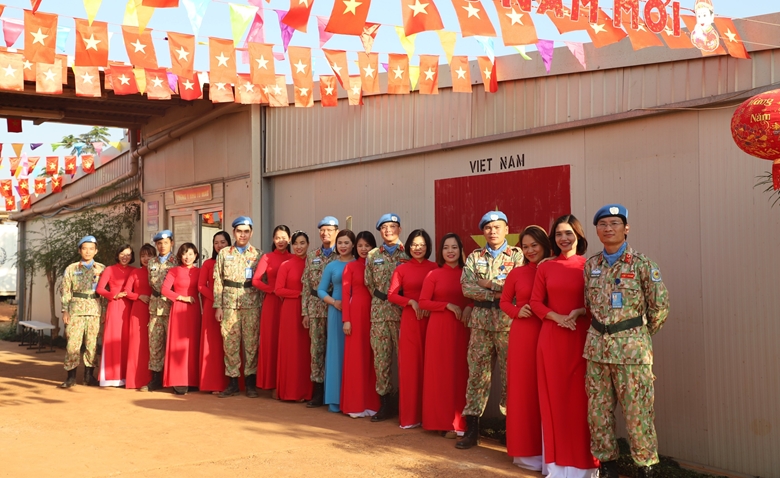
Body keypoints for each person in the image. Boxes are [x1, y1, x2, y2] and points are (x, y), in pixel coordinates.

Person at [584, 205, 669, 478]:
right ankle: (607, 465)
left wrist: (637, 337)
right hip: (597, 351)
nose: (608, 228)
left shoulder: (642, 264)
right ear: (597, 230)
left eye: (614, 223)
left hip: (632, 354)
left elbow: (660, 307)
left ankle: (645, 467)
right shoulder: (591, 265)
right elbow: (589, 304)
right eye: (603, 224)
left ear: (626, 228)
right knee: (598, 413)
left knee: (638, 413)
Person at [531, 215, 599, 478]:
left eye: (569, 233)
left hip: (581, 338)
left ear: (579, 236)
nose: (564, 238)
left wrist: (580, 311)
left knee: (581, 402)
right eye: (559, 234)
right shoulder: (546, 267)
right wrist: (556, 317)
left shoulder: (590, 266)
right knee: (554, 400)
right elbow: (536, 303)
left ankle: (585, 466)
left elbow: (597, 304)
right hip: (551, 338)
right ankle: (556, 467)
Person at [457, 211, 524, 449]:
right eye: (488, 228)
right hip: (481, 325)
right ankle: (472, 429)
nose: (492, 231)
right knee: (477, 376)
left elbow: (517, 287)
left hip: (508, 325)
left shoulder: (518, 255)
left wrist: (487, 284)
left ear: (506, 230)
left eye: (497, 227)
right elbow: (466, 287)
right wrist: (497, 293)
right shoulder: (475, 257)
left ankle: (510, 430)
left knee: (510, 377)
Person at [500, 226, 552, 471]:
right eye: (525, 246)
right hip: (523, 335)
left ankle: (552, 453)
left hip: (550, 333)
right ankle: (526, 451)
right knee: (524, 390)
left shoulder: (554, 268)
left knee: (548, 390)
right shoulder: (517, 273)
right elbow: (504, 302)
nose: (530, 250)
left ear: (545, 244)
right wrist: (516, 311)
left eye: (535, 245)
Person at [420, 233, 472, 438]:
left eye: (454, 247)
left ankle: (458, 423)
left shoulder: (468, 274)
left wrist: (469, 306)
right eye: (446, 248)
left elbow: (475, 297)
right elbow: (423, 302)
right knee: (439, 374)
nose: (450, 251)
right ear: (441, 252)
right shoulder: (433, 274)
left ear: (461, 250)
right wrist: (447, 305)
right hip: (439, 328)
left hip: (461, 328)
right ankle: (439, 421)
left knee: (459, 373)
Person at [388, 229, 437, 428]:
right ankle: (410, 417)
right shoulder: (401, 269)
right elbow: (392, 295)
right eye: (415, 244)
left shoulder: (435, 268)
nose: (418, 248)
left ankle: (431, 416)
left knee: (431, 368)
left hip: (432, 320)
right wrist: (411, 302)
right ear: (408, 246)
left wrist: (428, 305)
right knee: (410, 367)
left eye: (422, 245)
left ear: (428, 247)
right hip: (410, 320)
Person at [365, 213, 409, 422]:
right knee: (381, 360)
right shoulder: (373, 255)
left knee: (405, 359)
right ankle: (385, 404)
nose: (388, 230)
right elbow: (369, 283)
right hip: (380, 314)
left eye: (392, 226)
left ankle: (406, 404)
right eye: (384, 227)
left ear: (399, 229)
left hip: (403, 314)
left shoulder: (408, 252)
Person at [213, 216, 263, 398]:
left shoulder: (258, 254)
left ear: (251, 233)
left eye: (246, 231)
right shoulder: (224, 253)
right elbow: (218, 280)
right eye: (239, 231)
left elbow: (263, 282)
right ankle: (233, 381)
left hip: (251, 305)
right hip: (229, 305)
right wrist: (218, 306)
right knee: (230, 343)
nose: (243, 235)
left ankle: (250, 382)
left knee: (251, 344)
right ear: (233, 232)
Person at [341, 231, 380, 418]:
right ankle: (355, 404)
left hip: (376, 313)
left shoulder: (378, 265)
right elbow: (345, 294)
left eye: (367, 245)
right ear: (355, 248)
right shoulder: (350, 267)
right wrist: (346, 320)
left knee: (373, 358)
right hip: (356, 314)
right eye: (360, 246)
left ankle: (371, 403)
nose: (364, 249)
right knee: (356, 358)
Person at [301, 216, 339, 408]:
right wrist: (305, 312)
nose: (325, 233)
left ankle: (335, 390)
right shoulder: (312, 256)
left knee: (335, 350)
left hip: (336, 308)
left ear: (336, 232)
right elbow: (306, 285)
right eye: (322, 230)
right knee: (316, 350)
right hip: (316, 308)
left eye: (329, 230)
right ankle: (317, 391)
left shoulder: (342, 254)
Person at [59, 235, 106, 388]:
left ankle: (89, 376)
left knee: (92, 344)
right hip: (75, 311)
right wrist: (65, 310)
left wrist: (104, 312)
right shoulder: (71, 269)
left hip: (94, 310)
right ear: (79, 250)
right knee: (73, 344)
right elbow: (65, 290)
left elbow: (105, 292)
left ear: (96, 251)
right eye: (85, 248)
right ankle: (70, 377)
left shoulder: (102, 269)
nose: (88, 251)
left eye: (91, 249)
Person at [318, 229, 356, 413]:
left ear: (353, 245)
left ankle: (352, 397)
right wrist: (334, 302)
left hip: (355, 313)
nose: (343, 246)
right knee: (336, 353)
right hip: (336, 312)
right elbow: (321, 290)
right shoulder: (332, 266)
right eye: (340, 242)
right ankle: (335, 398)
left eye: (346, 242)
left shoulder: (360, 264)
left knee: (353, 354)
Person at [253, 225, 291, 397]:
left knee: (287, 342)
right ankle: (269, 383)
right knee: (270, 341)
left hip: (289, 303)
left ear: (289, 239)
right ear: (273, 240)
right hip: (272, 302)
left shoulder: (294, 258)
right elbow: (256, 280)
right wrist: (272, 290)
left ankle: (285, 383)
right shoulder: (267, 257)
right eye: (277, 238)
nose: (280, 241)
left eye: (284, 238)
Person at [275, 231, 313, 402]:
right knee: (291, 350)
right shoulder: (286, 265)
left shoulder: (313, 263)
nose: (299, 247)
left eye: (302, 243)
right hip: (290, 310)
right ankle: (289, 391)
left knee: (306, 351)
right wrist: (299, 293)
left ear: (308, 244)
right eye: (296, 243)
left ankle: (306, 391)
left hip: (310, 309)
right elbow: (278, 290)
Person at [162, 243, 202, 394]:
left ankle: (192, 379)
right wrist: (181, 297)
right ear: (180, 255)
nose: (187, 257)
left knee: (193, 343)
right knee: (178, 345)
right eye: (185, 254)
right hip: (179, 309)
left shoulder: (199, 271)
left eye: (191, 254)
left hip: (194, 310)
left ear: (196, 255)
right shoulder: (174, 271)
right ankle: (178, 380)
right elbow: (164, 290)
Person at [141, 230, 178, 392]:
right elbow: (151, 283)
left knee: (173, 343)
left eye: (165, 243)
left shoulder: (177, 261)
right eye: (159, 243)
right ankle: (156, 378)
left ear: (172, 243)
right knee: (155, 343)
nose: (162, 246)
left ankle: (175, 379)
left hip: (171, 307)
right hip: (155, 307)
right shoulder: (151, 263)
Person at [96, 244, 136, 387]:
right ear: (117, 255)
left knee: (127, 341)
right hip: (115, 306)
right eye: (122, 254)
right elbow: (100, 289)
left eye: (128, 254)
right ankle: (110, 377)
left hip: (130, 308)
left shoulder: (134, 271)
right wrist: (113, 295)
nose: (125, 257)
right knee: (113, 339)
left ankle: (126, 376)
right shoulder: (110, 269)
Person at [198, 231, 231, 393]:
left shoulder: (233, 262)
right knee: (213, 345)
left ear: (229, 243)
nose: (219, 245)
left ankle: (231, 382)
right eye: (216, 243)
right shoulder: (208, 264)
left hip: (232, 306)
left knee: (229, 343)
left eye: (223, 242)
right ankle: (212, 383)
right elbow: (201, 286)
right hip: (212, 307)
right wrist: (218, 300)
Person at [123, 243, 156, 390]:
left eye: (149, 255)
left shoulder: (158, 272)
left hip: (155, 311)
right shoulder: (135, 273)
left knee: (152, 345)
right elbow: (126, 291)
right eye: (143, 256)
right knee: (137, 345)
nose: (146, 258)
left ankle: (152, 379)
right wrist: (139, 296)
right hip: (138, 312)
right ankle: (134, 380)